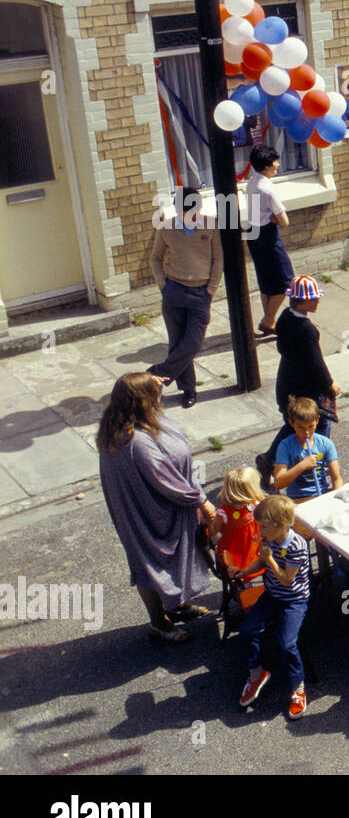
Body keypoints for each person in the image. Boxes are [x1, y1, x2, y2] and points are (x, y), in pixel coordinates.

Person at [98, 372, 216, 643]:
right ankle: (158, 622)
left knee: (164, 561)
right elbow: (166, 480)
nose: (159, 396)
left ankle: (176, 606)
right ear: (142, 402)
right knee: (148, 564)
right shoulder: (136, 441)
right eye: (153, 394)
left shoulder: (120, 422)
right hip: (148, 513)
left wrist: (150, 380)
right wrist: (202, 501)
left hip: (146, 506)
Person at [234, 495, 312, 720]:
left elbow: (287, 579)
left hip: (294, 599)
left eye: (264, 526)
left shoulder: (296, 545)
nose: (259, 530)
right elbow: (261, 561)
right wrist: (246, 571)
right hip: (271, 595)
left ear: (279, 526)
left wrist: (270, 561)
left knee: (286, 643)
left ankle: (297, 686)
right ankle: (257, 672)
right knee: (248, 631)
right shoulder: (268, 539)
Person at [257, 274, 337, 490]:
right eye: (314, 299)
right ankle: (315, 469)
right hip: (306, 388)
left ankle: (269, 459)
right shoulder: (307, 329)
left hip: (287, 384)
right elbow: (316, 361)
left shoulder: (284, 318)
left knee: (292, 423)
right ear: (301, 301)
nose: (318, 301)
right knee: (317, 425)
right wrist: (330, 384)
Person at [148, 186, 221, 408]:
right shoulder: (167, 228)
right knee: (178, 343)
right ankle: (189, 390)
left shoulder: (211, 224)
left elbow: (218, 259)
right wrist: (163, 285)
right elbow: (155, 258)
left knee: (193, 343)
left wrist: (211, 290)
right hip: (174, 292)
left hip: (201, 293)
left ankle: (152, 376)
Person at [244, 145, 296, 336]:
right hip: (268, 237)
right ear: (266, 166)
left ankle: (269, 321)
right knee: (285, 282)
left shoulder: (251, 182)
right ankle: (267, 320)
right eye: (275, 162)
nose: (278, 165)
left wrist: (271, 216)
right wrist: (274, 217)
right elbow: (285, 222)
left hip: (253, 234)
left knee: (266, 281)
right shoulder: (267, 189)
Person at [210, 467, 266, 615]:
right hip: (239, 552)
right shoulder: (226, 512)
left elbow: (213, 531)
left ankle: (260, 593)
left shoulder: (251, 504)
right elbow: (212, 531)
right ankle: (253, 598)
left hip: (251, 547)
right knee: (251, 571)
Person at [272, 396, 342, 501]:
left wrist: (336, 500)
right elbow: (278, 483)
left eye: (311, 426)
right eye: (301, 427)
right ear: (291, 423)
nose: (307, 433)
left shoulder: (326, 443)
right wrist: (302, 466)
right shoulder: (285, 446)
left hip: (322, 494)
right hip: (297, 498)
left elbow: (337, 478)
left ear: (317, 420)